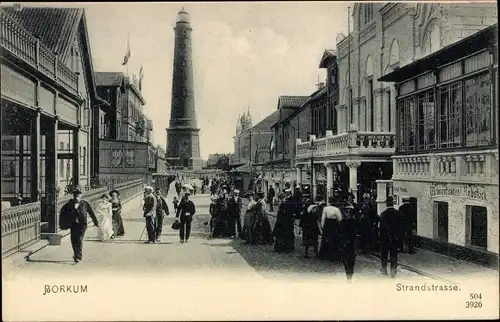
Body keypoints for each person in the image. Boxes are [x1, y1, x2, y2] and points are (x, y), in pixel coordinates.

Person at [59, 189, 98, 263]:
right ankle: (76, 254)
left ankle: (78, 256)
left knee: (79, 240)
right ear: (73, 197)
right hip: (73, 225)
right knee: (74, 240)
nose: (76, 198)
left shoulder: (85, 204)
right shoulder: (68, 205)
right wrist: (63, 224)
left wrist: (95, 222)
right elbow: (63, 213)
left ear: (81, 196)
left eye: (78, 196)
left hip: (82, 225)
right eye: (75, 196)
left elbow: (91, 213)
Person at [379, 196, 405, 278]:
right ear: (393, 203)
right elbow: (402, 228)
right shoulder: (399, 214)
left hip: (385, 238)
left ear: (386, 203)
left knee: (384, 254)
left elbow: (381, 228)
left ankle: (384, 270)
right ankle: (393, 272)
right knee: (394, 255)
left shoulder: (383, 214)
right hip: (395, 238)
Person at [318, 196, 343, 262]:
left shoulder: (325, 208)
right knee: (334, 240)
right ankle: (333, 256)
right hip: (334, 225)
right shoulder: (336, 209)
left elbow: (323, 218)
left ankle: (324, 255)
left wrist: (322, 226)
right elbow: (340, 219)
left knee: (326, 240)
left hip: (327, 225)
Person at [273, 188, 297, 253]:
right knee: (283, 233)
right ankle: (283, 247)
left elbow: (292, 209)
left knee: (288, 233)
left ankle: (289, 247)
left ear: (288, 193)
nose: (285, 194)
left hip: (288, 219)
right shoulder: (285, 200)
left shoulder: (291, 200)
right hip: (283, 220)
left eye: (286, 193)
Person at [340, 199, 358, 282]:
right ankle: (348, 275)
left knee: (351, 259)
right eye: (346, 211)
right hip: (345, 243)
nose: (348, 213)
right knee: (346, 259)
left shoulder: (354, 221)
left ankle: (350, 273)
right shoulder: (342, 222)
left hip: (352, 242)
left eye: (349, 211)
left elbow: (357, 232)